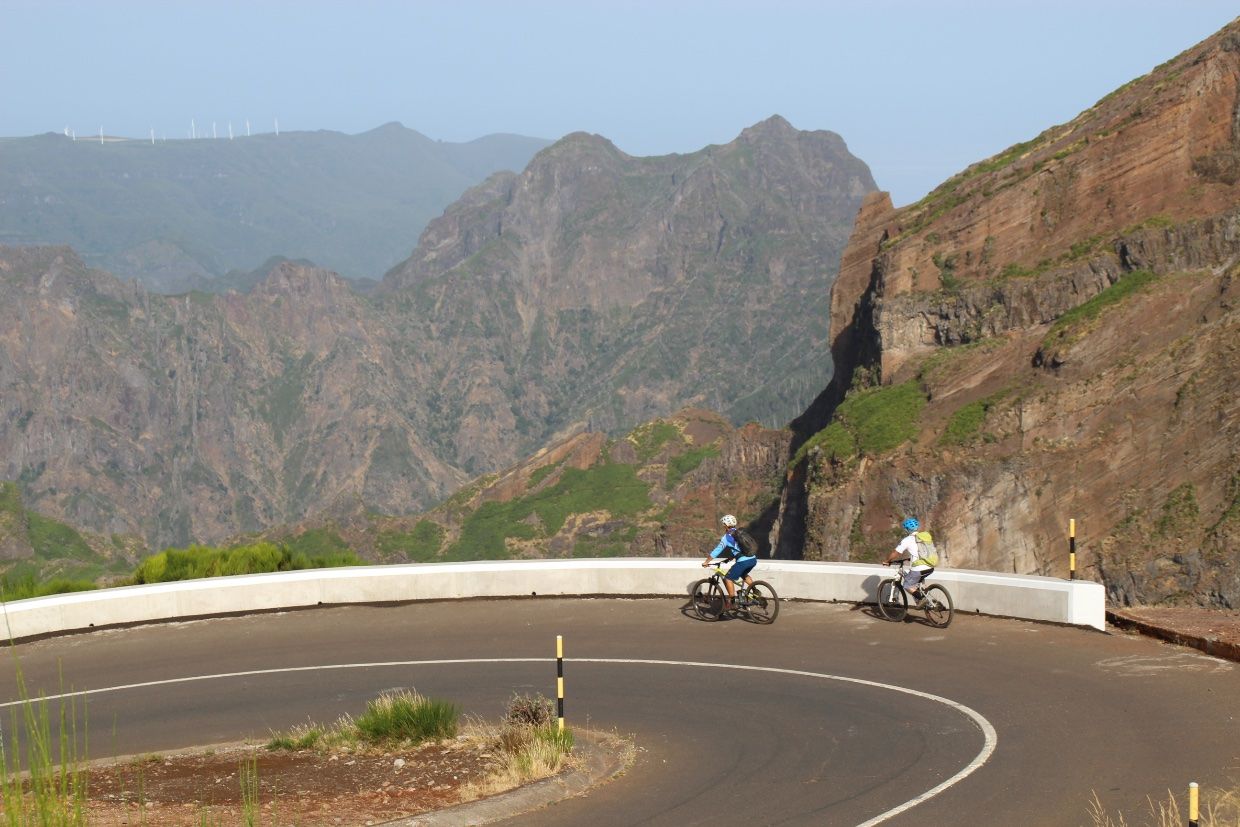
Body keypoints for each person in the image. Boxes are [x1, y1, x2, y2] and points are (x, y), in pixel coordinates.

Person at [701, 514, 757, 610]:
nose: (723, 526)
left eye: (724, 524)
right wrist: (731, 557)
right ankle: (755, 592)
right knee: (744, 574)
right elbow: (740, 548)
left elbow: (717, 551)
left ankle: (732, 601)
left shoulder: (726, 537)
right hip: (753, 559)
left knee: (728, 578)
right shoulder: (740, 533)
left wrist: (706, 561)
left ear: (726, 525)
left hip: (743, 561)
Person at [884, 517, 935, 606]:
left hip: (919, 569)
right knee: (915, 580)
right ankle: (930, 601)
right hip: (930, 566)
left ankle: (922, 599)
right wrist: (910, 558)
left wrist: (888, 561)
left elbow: (896, 553)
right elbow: (922, 551)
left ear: (907, 529)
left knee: (907, 585)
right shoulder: (924, 536)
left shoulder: (907, 540)